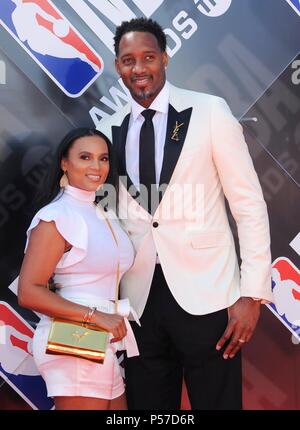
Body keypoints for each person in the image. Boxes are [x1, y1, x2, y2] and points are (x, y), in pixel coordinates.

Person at [97, 18, 273, 410]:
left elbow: (247, 204)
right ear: (117, 66)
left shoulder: (209, 111)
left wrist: (253, 294)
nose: (138, 68)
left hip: (207, 294)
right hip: (138, 301)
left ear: (165, 58)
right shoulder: (107, 129)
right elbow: (108, 219)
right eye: (128, 60)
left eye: (147, 57)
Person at [18, 128, 139, 410]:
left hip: (101, 336)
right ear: (64, 162)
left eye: (103, 158)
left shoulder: (101, 212)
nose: (96, 167)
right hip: (73, 334)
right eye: (85, 157)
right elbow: (28, 292)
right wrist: (96, 317)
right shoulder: (56, 216)